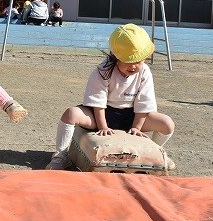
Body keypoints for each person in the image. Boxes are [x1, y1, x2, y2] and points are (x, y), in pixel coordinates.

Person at [46, 23, 175, 170]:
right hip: (101, 115)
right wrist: (103, 126)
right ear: (116, 57)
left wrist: (136, 127)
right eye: (128, 61)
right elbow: (98, 102)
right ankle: (60, 155)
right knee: (71, 114)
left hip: (132, 116)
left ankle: (154, 154)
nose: (133, 66)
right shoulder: (103, 70)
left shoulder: (144, 72)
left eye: (138, 61)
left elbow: (144, 103)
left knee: (167, 123)